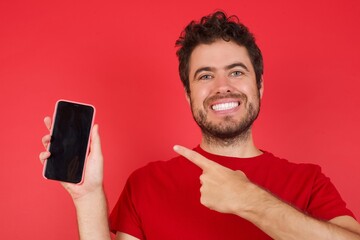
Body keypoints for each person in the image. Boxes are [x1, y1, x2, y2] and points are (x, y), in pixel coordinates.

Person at [39, 11, 360, 240]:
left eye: (236, 72)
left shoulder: (309, 181)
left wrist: (251, 200)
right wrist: (88, 197)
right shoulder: (147, 183)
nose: (222, 86)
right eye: (205, 75)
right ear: (188, 94)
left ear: (259, 86)